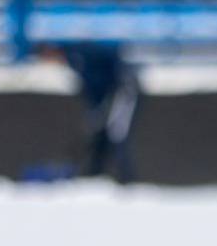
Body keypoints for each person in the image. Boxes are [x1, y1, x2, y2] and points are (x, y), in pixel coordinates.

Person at [39, 40, 141, 184]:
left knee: (117, 134)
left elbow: (107, 73)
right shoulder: (73, 61)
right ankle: (95, 175)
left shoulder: (78, 54)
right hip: (109, 94)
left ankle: (127, 179)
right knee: (102, 135)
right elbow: (91, 88)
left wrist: (102, 106)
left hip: (123, 89)